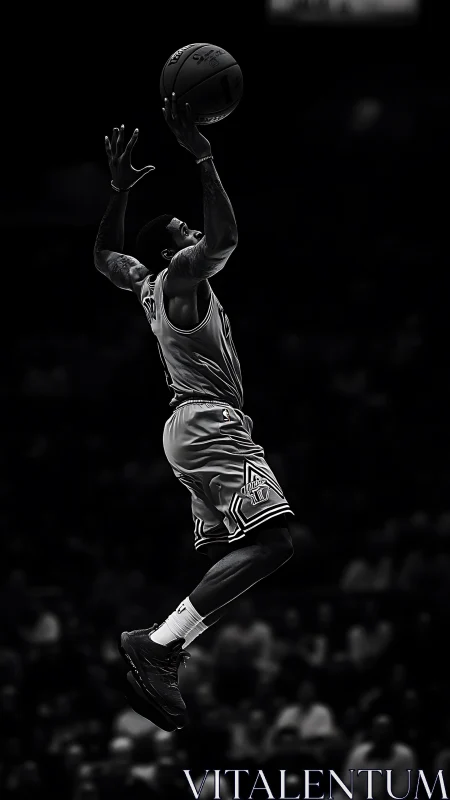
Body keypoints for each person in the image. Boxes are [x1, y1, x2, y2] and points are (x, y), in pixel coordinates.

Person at [93, 94, 294, 732]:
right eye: (183, 227)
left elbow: (105, 259)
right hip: (209, 422)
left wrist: (120, 193)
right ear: (172, 249)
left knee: (238, 552)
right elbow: (227, 237)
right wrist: (203, 158)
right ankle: (160, 646)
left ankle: (165, 647)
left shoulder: (145, 283)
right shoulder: (180, 273)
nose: (192, 231)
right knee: (275, 543)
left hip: (189, 426)